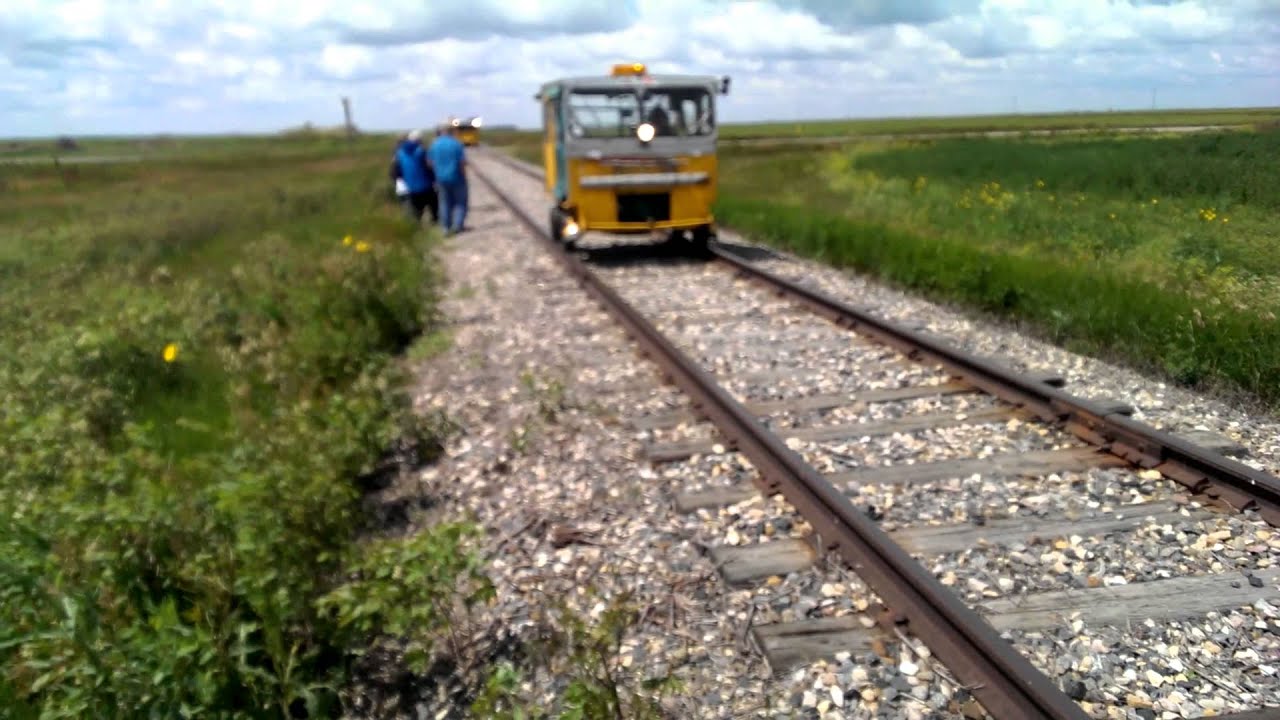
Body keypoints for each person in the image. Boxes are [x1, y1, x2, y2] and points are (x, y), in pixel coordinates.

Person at [427, 125, 468, 235]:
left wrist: (438, 171)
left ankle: (445, 227)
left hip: (441, 178)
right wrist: (464, 176)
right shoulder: (457, 144)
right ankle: (458, 226)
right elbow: (462, 163)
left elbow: (430, 163)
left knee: (444, 203)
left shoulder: (434, 145)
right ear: (451, 132)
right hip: (457, 177)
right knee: (460, 202)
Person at [394, 130, 438, 224]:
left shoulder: (400, 153)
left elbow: (398, 171)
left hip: (410, 187)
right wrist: (434, 178)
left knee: (417, 211)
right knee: (434, 205)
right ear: (419, 140)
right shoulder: (421, 151)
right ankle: (434, 222)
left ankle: (417, 227)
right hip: (426, 185)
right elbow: (429, 167)